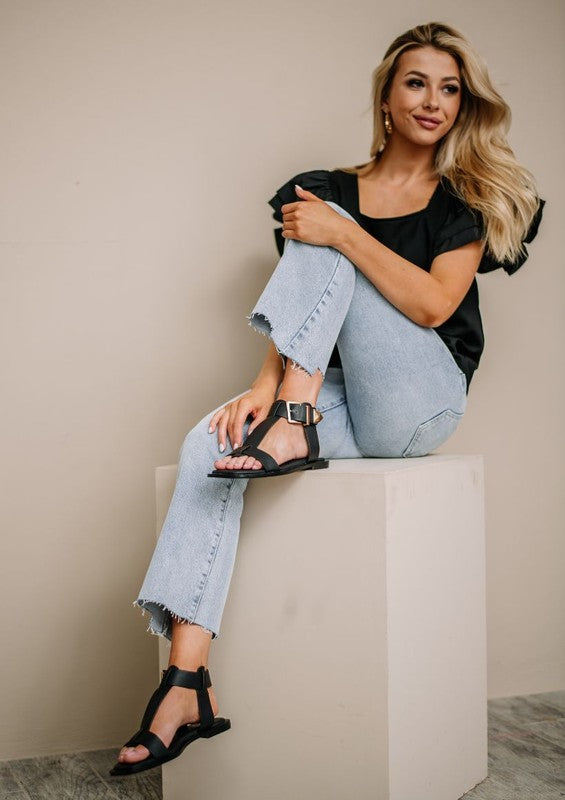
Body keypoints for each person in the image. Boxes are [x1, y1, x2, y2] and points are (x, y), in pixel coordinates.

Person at [110, 20, 544, 776]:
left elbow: (433, 308)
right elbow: (305, 304)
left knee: (329, 226)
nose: (432, 101)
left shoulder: (463, 202)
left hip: (422, 398)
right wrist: (261, 385)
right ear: (385, 96)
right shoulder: (326, 194)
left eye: (449, 88)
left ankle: (292, 422)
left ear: (463, 105)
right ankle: (185, 687)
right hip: (332, 394)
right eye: (416, 82)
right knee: (204, 444)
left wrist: (342, 236)